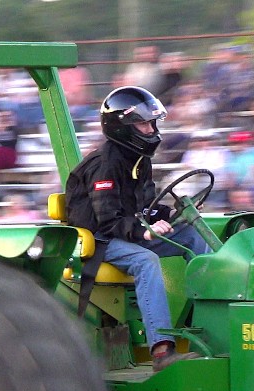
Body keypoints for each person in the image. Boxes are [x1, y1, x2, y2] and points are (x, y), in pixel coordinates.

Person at [65, 86, 211, 372]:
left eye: (152, 123)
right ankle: (161, 350)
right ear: (122, 127)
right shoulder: (105, 164)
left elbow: (146, 205)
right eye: (143, 123)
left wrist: (173, 212)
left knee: (193, 236)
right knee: (146, 261)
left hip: (125, 231)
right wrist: (141, 231)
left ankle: (206, 324)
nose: (150, 129)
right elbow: (106, 219)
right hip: (99, 240)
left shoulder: (139, 159)